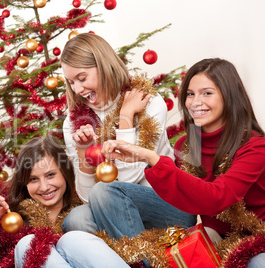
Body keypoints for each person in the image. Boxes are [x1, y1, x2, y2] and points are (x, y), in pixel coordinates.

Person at [98, 58, 265, 267]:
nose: (195, 102)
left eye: (207, 93)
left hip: (254, 238)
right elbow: (184, 192)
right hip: (211, 232)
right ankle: (146, 262)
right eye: (190, 94)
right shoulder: (188, 143)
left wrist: (152, 158)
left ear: (229, 96)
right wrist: (144, 159)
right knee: (103, 194)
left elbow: (218, 198)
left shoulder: (255, 146)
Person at [60, 32, 196, 233]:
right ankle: (137, 259)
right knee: (76, 220)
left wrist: (126, 116)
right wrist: (84, 155)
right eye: (71, 82)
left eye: (82, 78)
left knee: (104, 193)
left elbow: (128, 179)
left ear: (104, 66)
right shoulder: (73, 123)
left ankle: (138, 260)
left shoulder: (147, 102)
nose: (78, 89)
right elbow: (87, 198)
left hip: (167, 203)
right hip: (109, 205)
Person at [0, 135, 130, 268]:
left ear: (65, 172)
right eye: (33, 179)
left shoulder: (84, 214)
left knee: (72, 239)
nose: (44, 187)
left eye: (51, 175)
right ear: (24, 183)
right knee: (28, 244)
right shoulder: (12, 219)